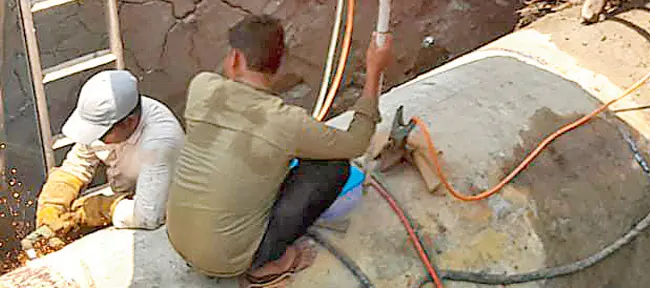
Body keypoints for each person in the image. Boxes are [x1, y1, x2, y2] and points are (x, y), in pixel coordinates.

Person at [166, 15, 394, 287]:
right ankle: (265, 265)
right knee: (333, 167)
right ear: (279, 65)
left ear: (235, 59)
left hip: (178, 239)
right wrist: (373, 73)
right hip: (228, 259)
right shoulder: (288, 122)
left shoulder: (201, 87)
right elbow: (356, 143)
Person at [32, 70, 184, 243]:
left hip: (169, 217)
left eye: (100, 134)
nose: (96, 139)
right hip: (130, 198)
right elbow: (79, 163)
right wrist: (53, 202)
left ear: (129, 122)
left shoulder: (160, 143)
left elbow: (148, 216)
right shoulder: (109, 120)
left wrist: (102, 208)